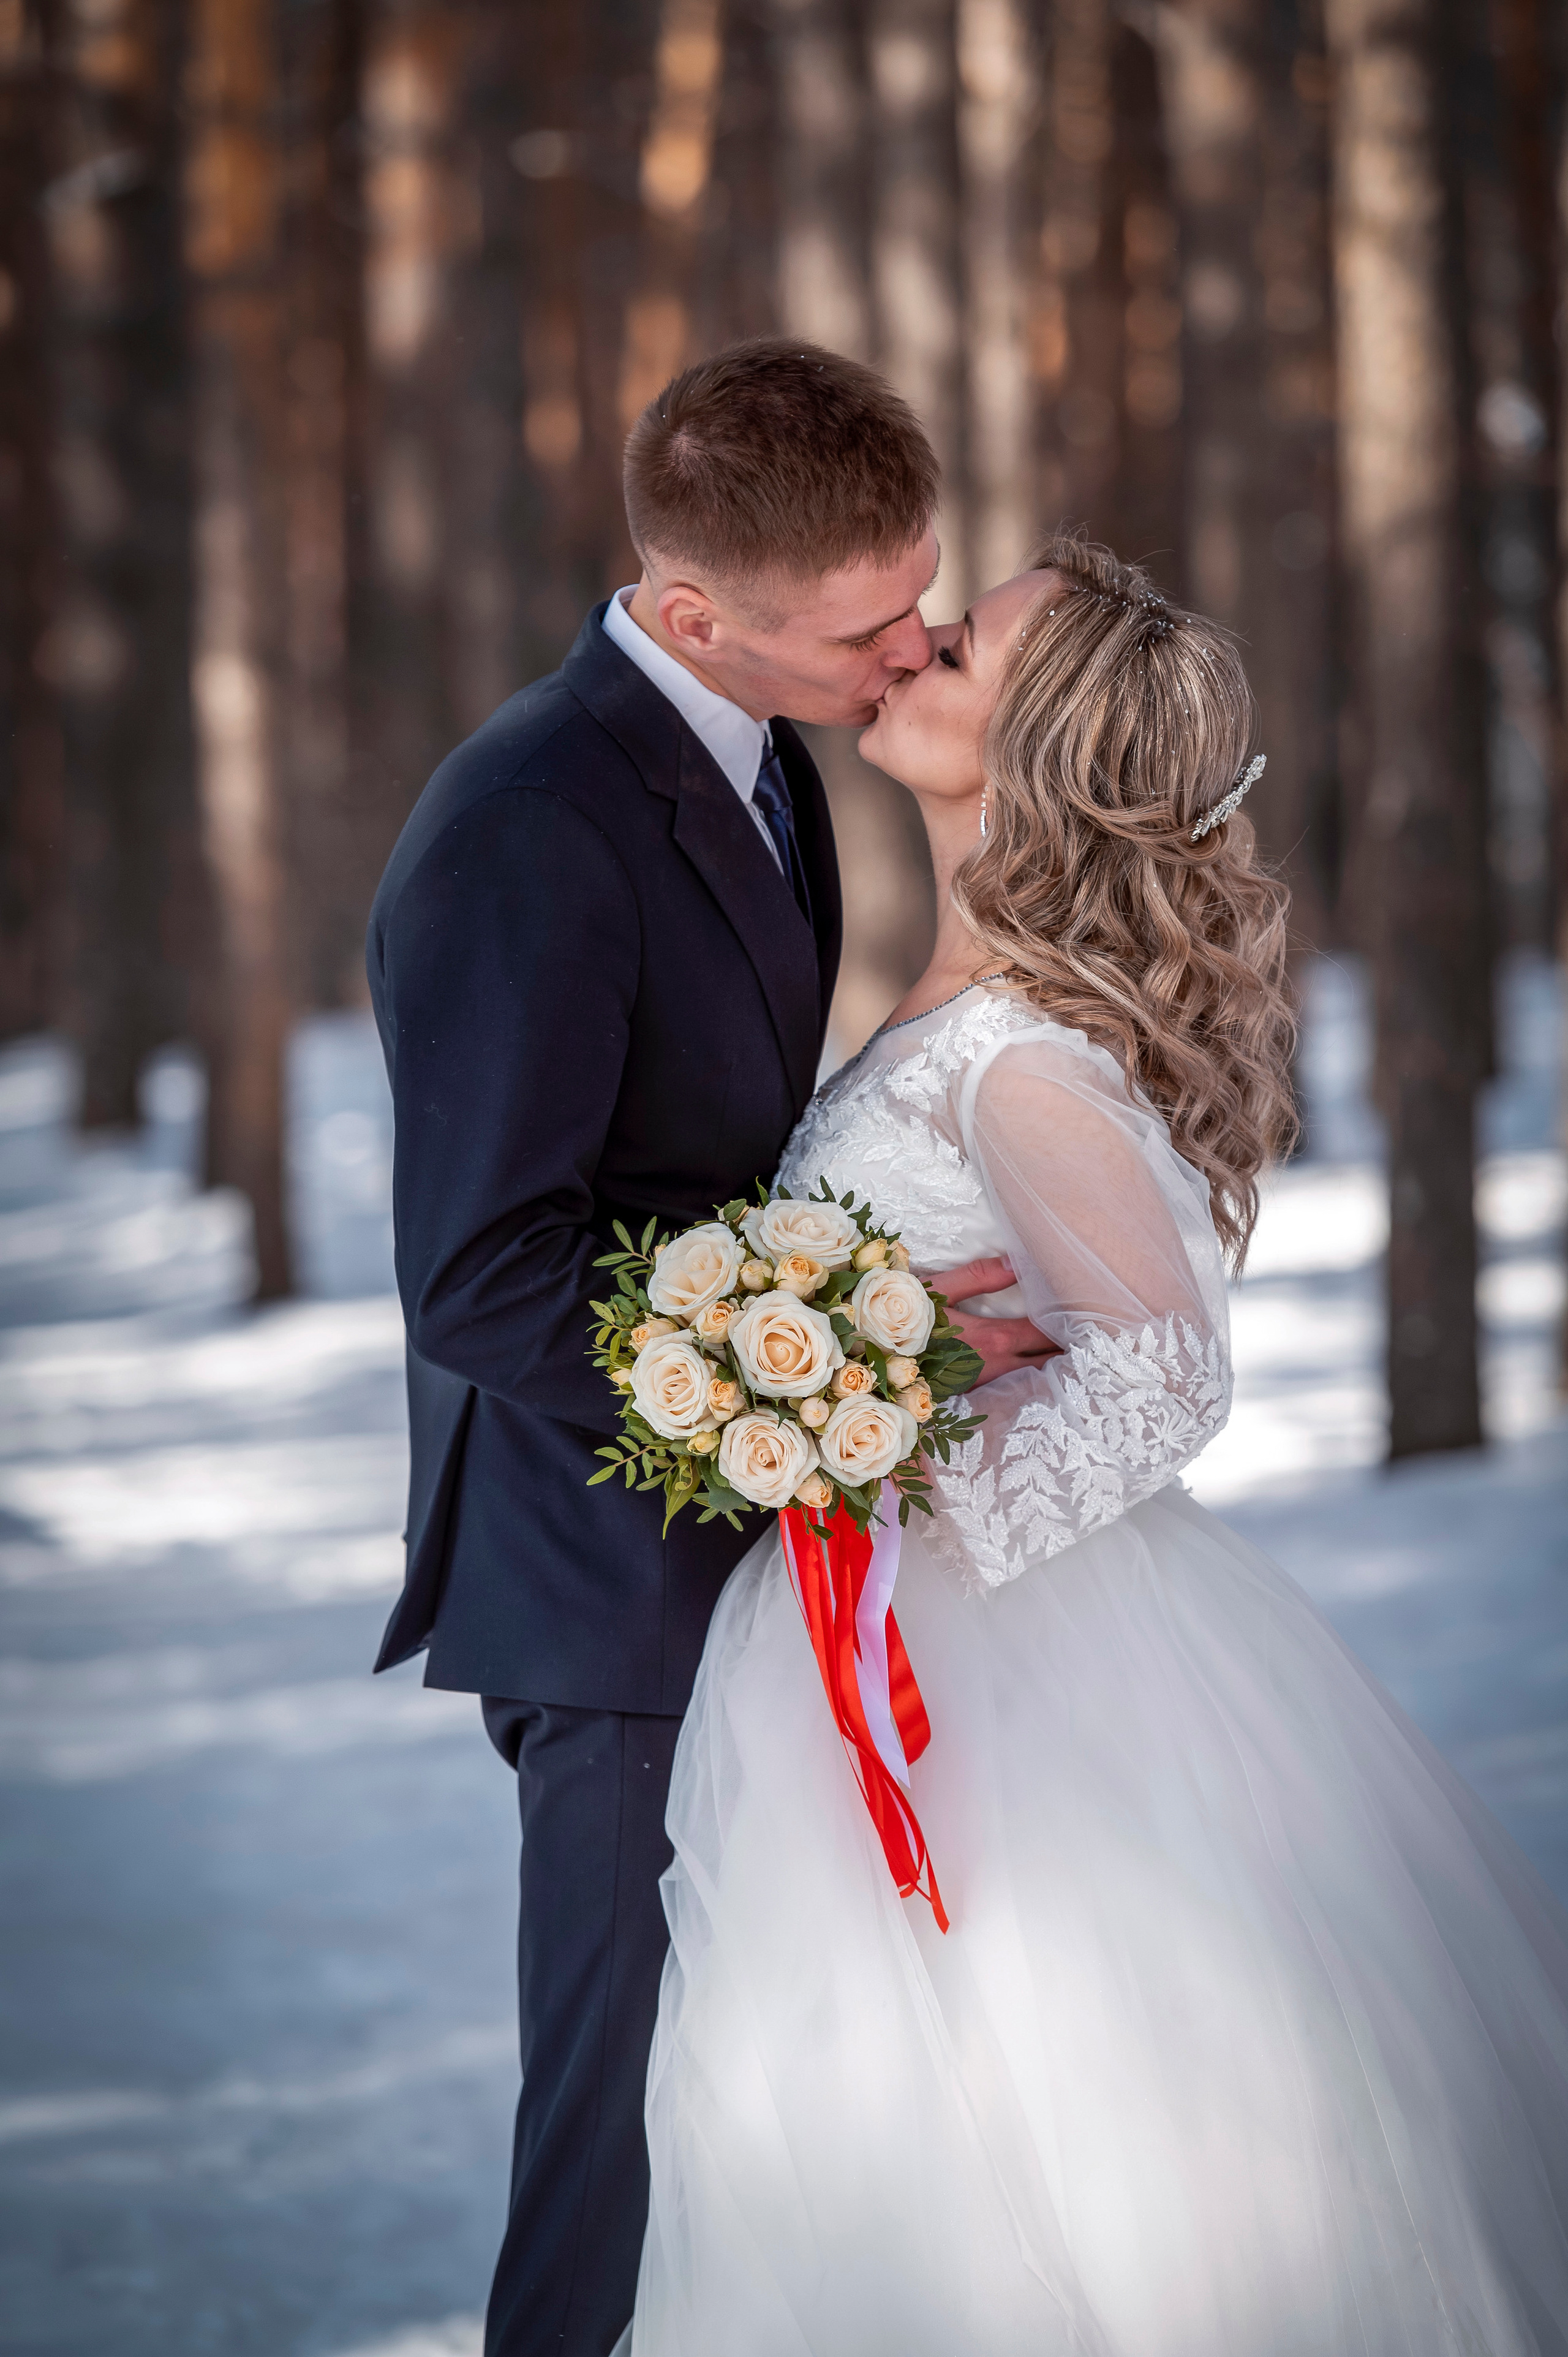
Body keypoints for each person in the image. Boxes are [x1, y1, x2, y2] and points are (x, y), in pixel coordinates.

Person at [620, 533, 1568, 2353]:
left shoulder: (1020, 1060)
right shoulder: (949, 999)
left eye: (957, 643)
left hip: (1004, 1663)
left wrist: (898, 1489)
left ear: (1037, 742)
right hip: (892, 1631)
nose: (907, 650)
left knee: (1049, 2133)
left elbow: (1161, 1371)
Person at [364, 340, 1052, 2357]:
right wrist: (840, 1361)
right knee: (620, 2142)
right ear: (691, 616)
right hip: (615, 1592)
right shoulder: (528, 823)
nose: (912, 647)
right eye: (867, 627)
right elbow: (486, 1274)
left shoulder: (765, 751)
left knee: (763, 2134)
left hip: (756, 1563)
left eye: (924, 589)